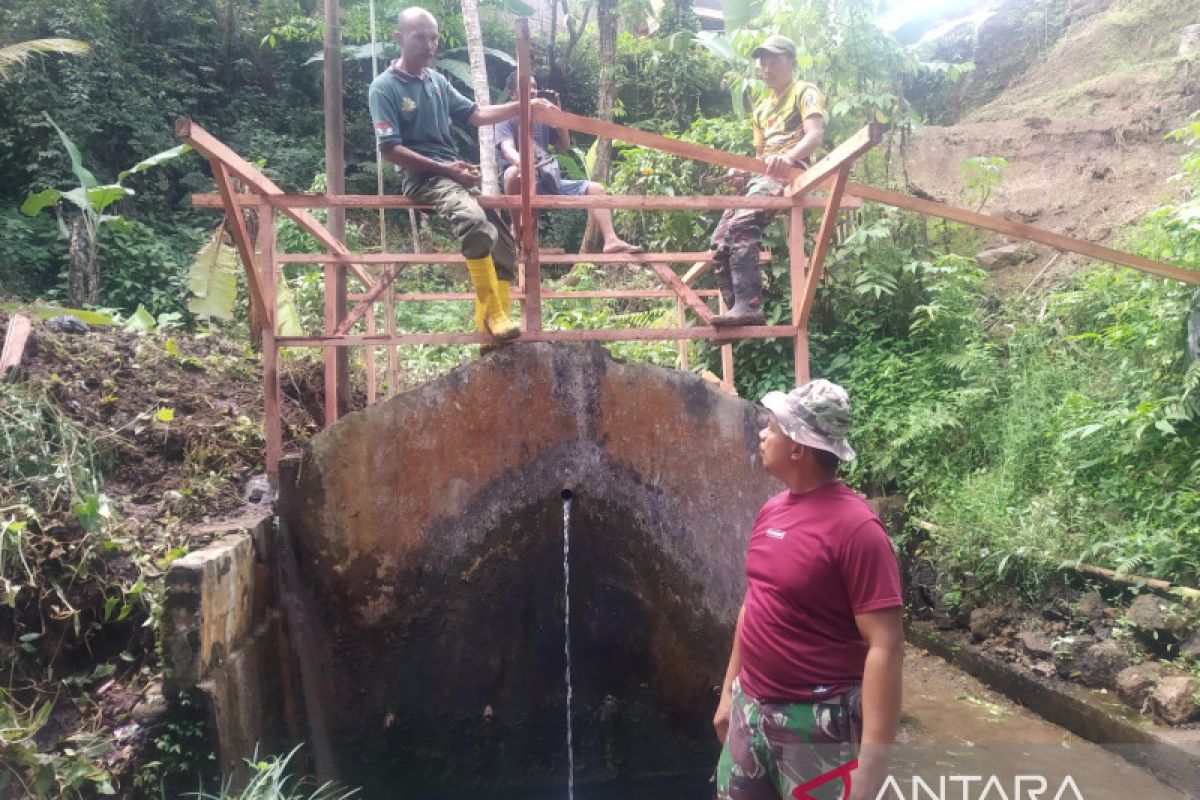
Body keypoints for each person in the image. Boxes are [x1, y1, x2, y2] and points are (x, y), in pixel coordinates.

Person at [713, 379, 904, 800]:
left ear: (798, 447)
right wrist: (730, 692)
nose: (762, 433)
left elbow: (886, 646)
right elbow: (755, 602)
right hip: (751, 710)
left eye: (772, 427)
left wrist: (870, 768)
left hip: (816, 724)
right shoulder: (771, 510)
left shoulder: (857, 530)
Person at [368, 7, 556, 343]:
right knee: (473, 223)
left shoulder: (437, 82)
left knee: (506, 244)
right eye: (420, 37)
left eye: (434, 37)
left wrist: (525, 105)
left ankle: (490, 334)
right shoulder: (384, 88)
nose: (429, 44)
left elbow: (477, 113)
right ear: (398, 38)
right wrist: (445, 169)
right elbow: (390, 149)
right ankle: (494, 316)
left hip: (453, 173)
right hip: (423, 177)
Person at [710, 34, 826, 327]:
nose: (766, 67)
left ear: (792, 63)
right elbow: (762, 157)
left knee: (741, 224)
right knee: (720, 238)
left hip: (793, 169)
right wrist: (743, 176)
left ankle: (749, 306)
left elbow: (815, 135)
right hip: (766, 175)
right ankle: (735, 309)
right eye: (763, 61)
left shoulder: (804, 91)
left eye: (773, 60)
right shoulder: (761, 109)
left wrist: (788, 157)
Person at [493, 72, 643, 254]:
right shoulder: (506, 117)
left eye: (534, 86)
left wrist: (558, 116)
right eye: (526, 87)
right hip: (520, 181)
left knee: (596, 189)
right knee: (513, 173)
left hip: (545, 178)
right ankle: (517, 228)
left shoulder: (542, 116)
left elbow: (564, 146)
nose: (532, 91)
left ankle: (611, 240)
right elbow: (507, 148)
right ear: (512, 94)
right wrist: (523, 164)